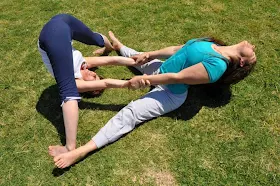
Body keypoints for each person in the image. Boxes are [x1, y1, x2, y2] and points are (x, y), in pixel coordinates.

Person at [53, 31, 257, 168]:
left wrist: (146, 79)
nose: (253, 46)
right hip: (161, 70)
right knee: (138, 57)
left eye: (253, 54)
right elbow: (179, 49)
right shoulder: (213, 45)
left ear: (241, 62)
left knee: (130, 113)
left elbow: (178, 77)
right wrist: (150, 54)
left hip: (171, 92)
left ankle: (80, 151)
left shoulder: (217, 66)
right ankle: (119, 46)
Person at [38, 14, 147, 157]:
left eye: (93, 78)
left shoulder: (74, 82)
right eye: (95, 74)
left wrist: (127, 83)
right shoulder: (84, 64)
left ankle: (70, 147)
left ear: (90, 89)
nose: (92, 73)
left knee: (68, 93)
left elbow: (106, 82)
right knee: (93, 38)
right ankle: (108, 46)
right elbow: (110, 61)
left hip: (50, 37)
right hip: (63, 21)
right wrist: (134, 62)